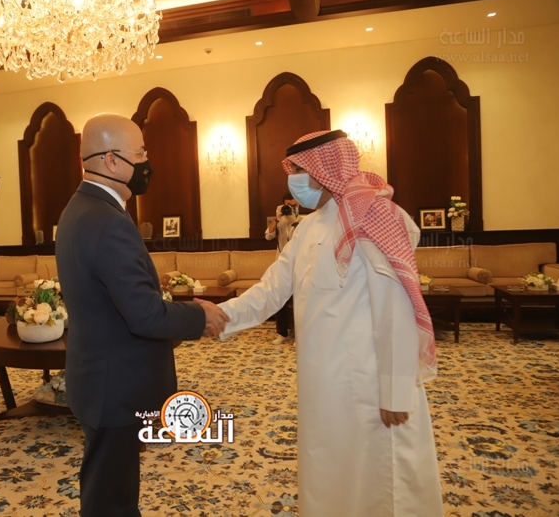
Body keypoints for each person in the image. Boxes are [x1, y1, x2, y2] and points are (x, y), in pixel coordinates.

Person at [218, 130, 443, 516]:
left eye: (299, 169)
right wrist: (220, 316)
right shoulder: (308, 227)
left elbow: (394, 309)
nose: (293, 179)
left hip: (369, 384)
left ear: (325, 170)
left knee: (381, 480)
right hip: (322, 380)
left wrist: (395, 391)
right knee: (329, 470)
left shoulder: (374, 216)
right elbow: (272, 289)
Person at [55, 113, 229, 517]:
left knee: (105, 488)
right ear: (111, 160)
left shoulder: (80, 208)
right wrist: (199, 315)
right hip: (114, 386)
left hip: (97, 377)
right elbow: (145, 316)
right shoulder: (106, 221)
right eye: (140, 154)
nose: (147, 162)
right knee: (111, 501)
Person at [264, 193, 302, 344]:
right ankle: (282, 333)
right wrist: (277, 219)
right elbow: (268, 236)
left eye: (293, 206)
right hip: (281, 266)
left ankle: (299, 334)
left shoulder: (303, 221)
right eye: (287, 206)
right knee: (280, 300)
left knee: (299, 302)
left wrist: (294, 221)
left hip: (298, 266)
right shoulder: (280, 221)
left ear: (298, 205)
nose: (290, 208)